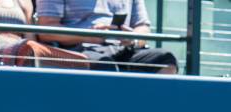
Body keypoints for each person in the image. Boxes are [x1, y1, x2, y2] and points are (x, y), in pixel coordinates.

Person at [36, 0, 179, 74]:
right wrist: (89, 36)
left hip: (124, 50)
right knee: (105, 65)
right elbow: (46, 31)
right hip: (78, 51)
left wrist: (133, 39)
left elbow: (143, 28)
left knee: (165, 60)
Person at [0, 0, 90, 68]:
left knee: (32, 49)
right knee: (29, 48)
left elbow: (30, 36)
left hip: (21, 48)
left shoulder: (24, 2)